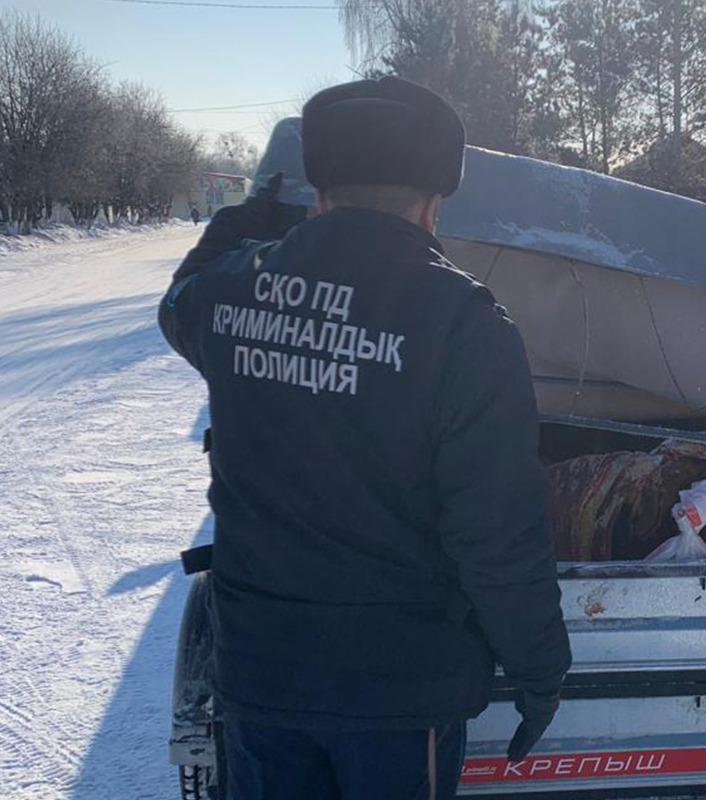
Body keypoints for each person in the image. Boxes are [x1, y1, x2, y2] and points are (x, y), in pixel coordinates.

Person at [158, 77, 572, 800]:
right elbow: (496, 533)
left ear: (318, 192)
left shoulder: (231, 292)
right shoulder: (465, 325)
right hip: (400, 698)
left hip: (262, 679)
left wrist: (243, 222)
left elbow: (178, 301)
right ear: (435, 201)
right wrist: (539, 668)